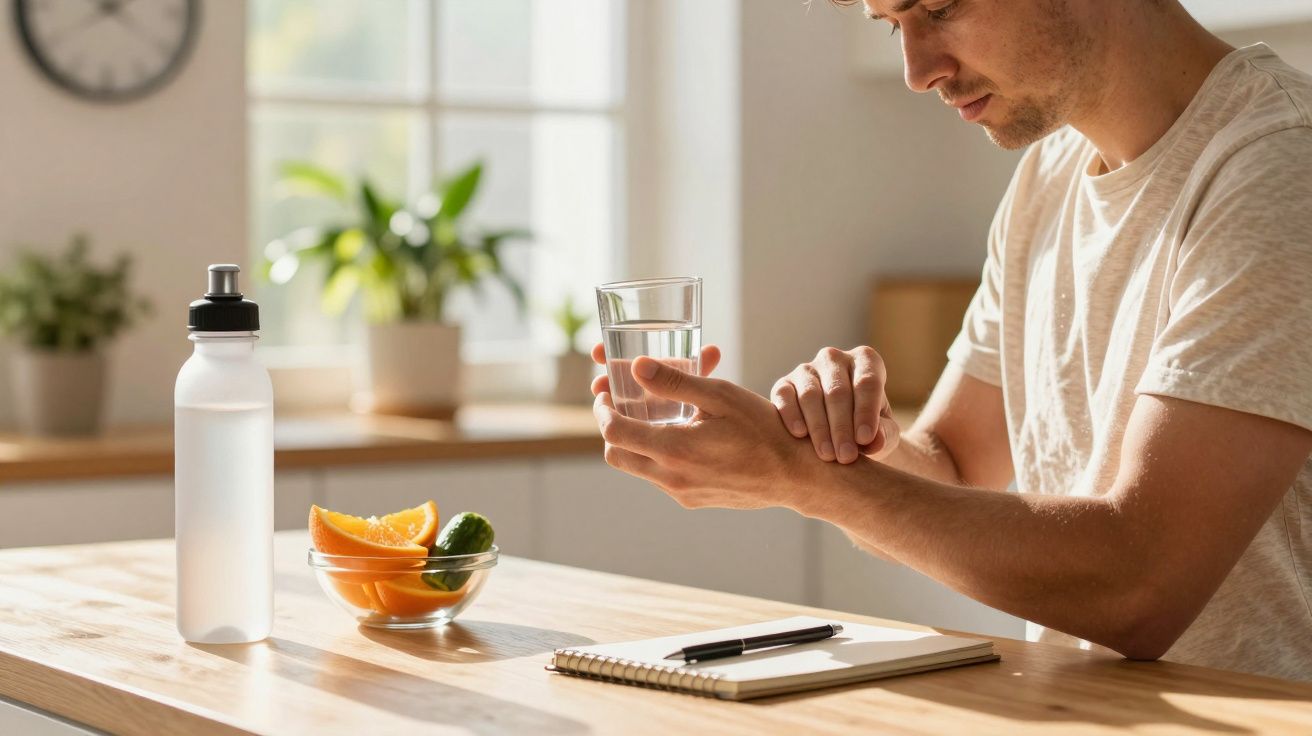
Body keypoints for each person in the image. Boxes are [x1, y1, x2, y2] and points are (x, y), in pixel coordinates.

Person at [589, 0, 1312, 681]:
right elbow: (956, 466)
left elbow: (1140, 583)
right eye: (891, 23)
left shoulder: (1280, 168)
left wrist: (806, 480)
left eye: (938, 7)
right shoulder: (1048, 177)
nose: (917, 69)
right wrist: (849, 447)